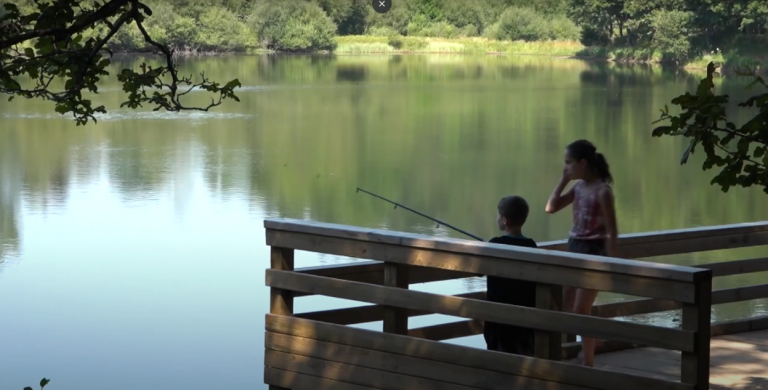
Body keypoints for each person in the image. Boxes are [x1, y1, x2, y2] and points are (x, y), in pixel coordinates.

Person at [544, 139, 618, 367]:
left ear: (583, 163)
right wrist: (563, 180)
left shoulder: (603, 191)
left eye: (569, 163)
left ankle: (588, 361)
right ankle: (593, 337)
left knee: (580, 308)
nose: (565, 167)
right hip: (574, 247)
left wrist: (613, 264)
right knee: (566, 304)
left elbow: (612, 231)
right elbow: (551, 208)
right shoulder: (577, 188)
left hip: (594, 253)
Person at [484, 195, 538, 356]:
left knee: (498, 354)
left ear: (505, 220)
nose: (497, 219)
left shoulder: (495, 244)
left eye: (498, 216)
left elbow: (479, 269)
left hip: (497, 316)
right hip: (525, 316)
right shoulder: (531, 245)